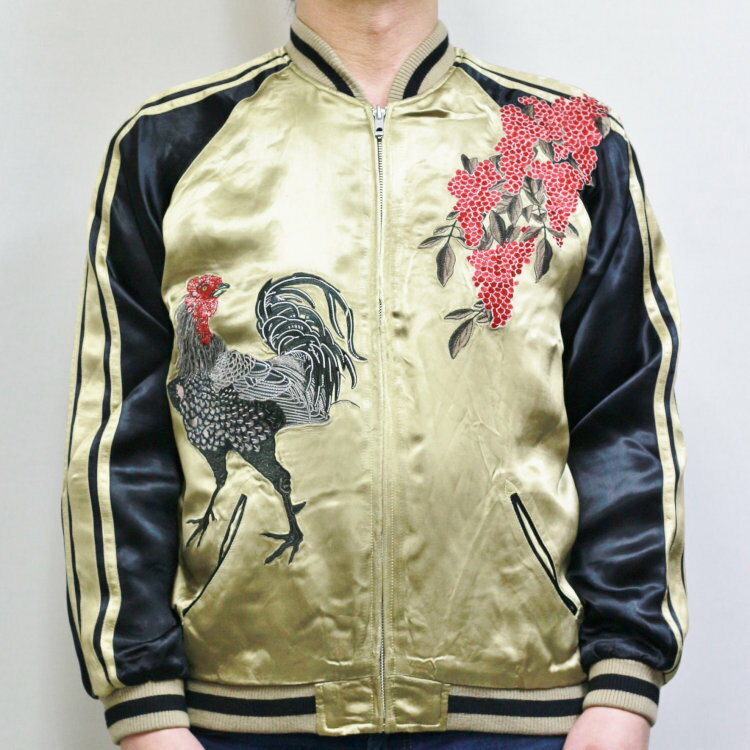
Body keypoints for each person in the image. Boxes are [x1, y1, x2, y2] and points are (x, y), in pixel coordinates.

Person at [59, 0, 688, 748]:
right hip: (237, 715)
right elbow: (119, 442)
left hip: (521, 716)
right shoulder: (170, 144)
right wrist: (145, 705)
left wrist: (623, 689)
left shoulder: (565, 142)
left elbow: (625, 423)